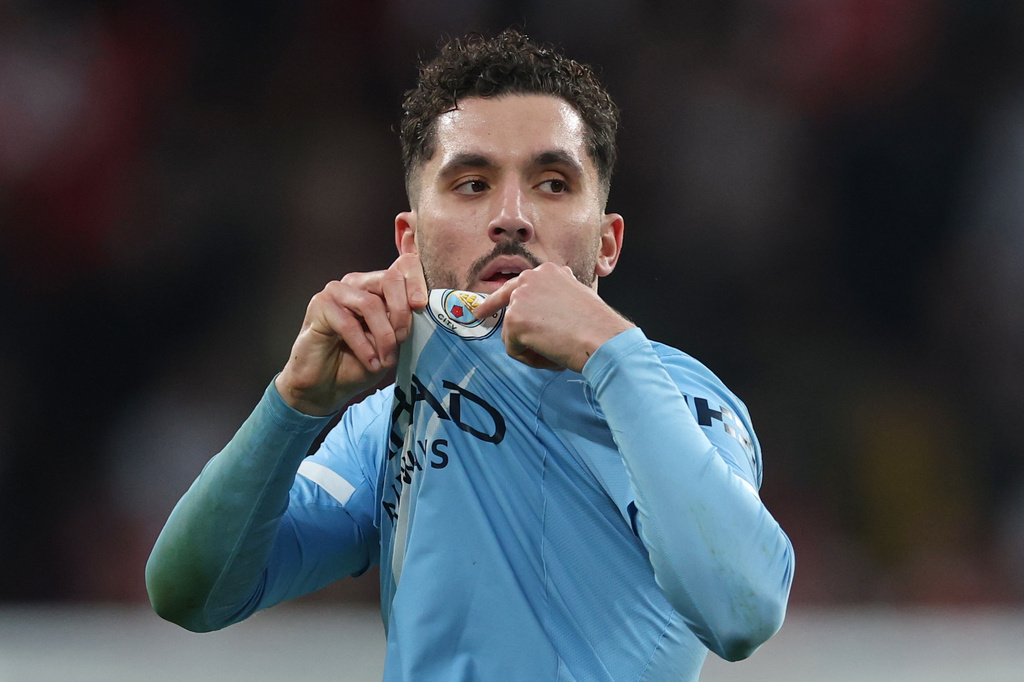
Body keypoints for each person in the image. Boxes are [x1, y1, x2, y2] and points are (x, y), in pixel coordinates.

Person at [146, 29, 795, 681]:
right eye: (472, 183)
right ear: (410, 238)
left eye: (551, 183)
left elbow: (743, 611)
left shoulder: (675, 399)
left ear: (607, 241)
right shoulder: (392, 420)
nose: (511, 216)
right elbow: (189, 595)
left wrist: (610, 351)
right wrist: (290, 407)